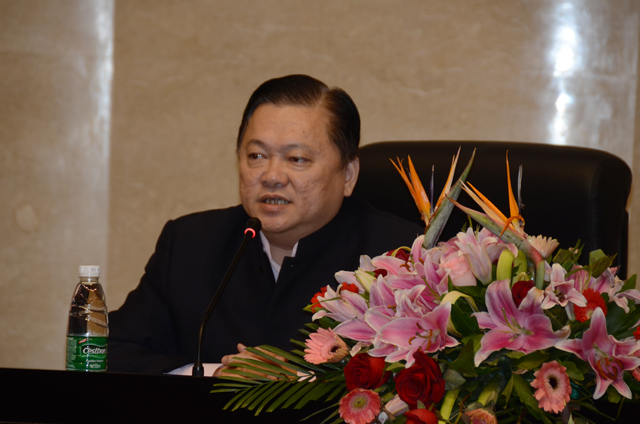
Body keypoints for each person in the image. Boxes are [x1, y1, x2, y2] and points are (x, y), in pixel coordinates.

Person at [108, 74, 422, 375]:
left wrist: (298, 382)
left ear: (349, 175)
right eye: (256, 155)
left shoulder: (399, 256)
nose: (271, 176)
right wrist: (214, 375)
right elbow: (112, 351)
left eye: (296, 159)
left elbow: (423, 372)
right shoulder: (190, 245)